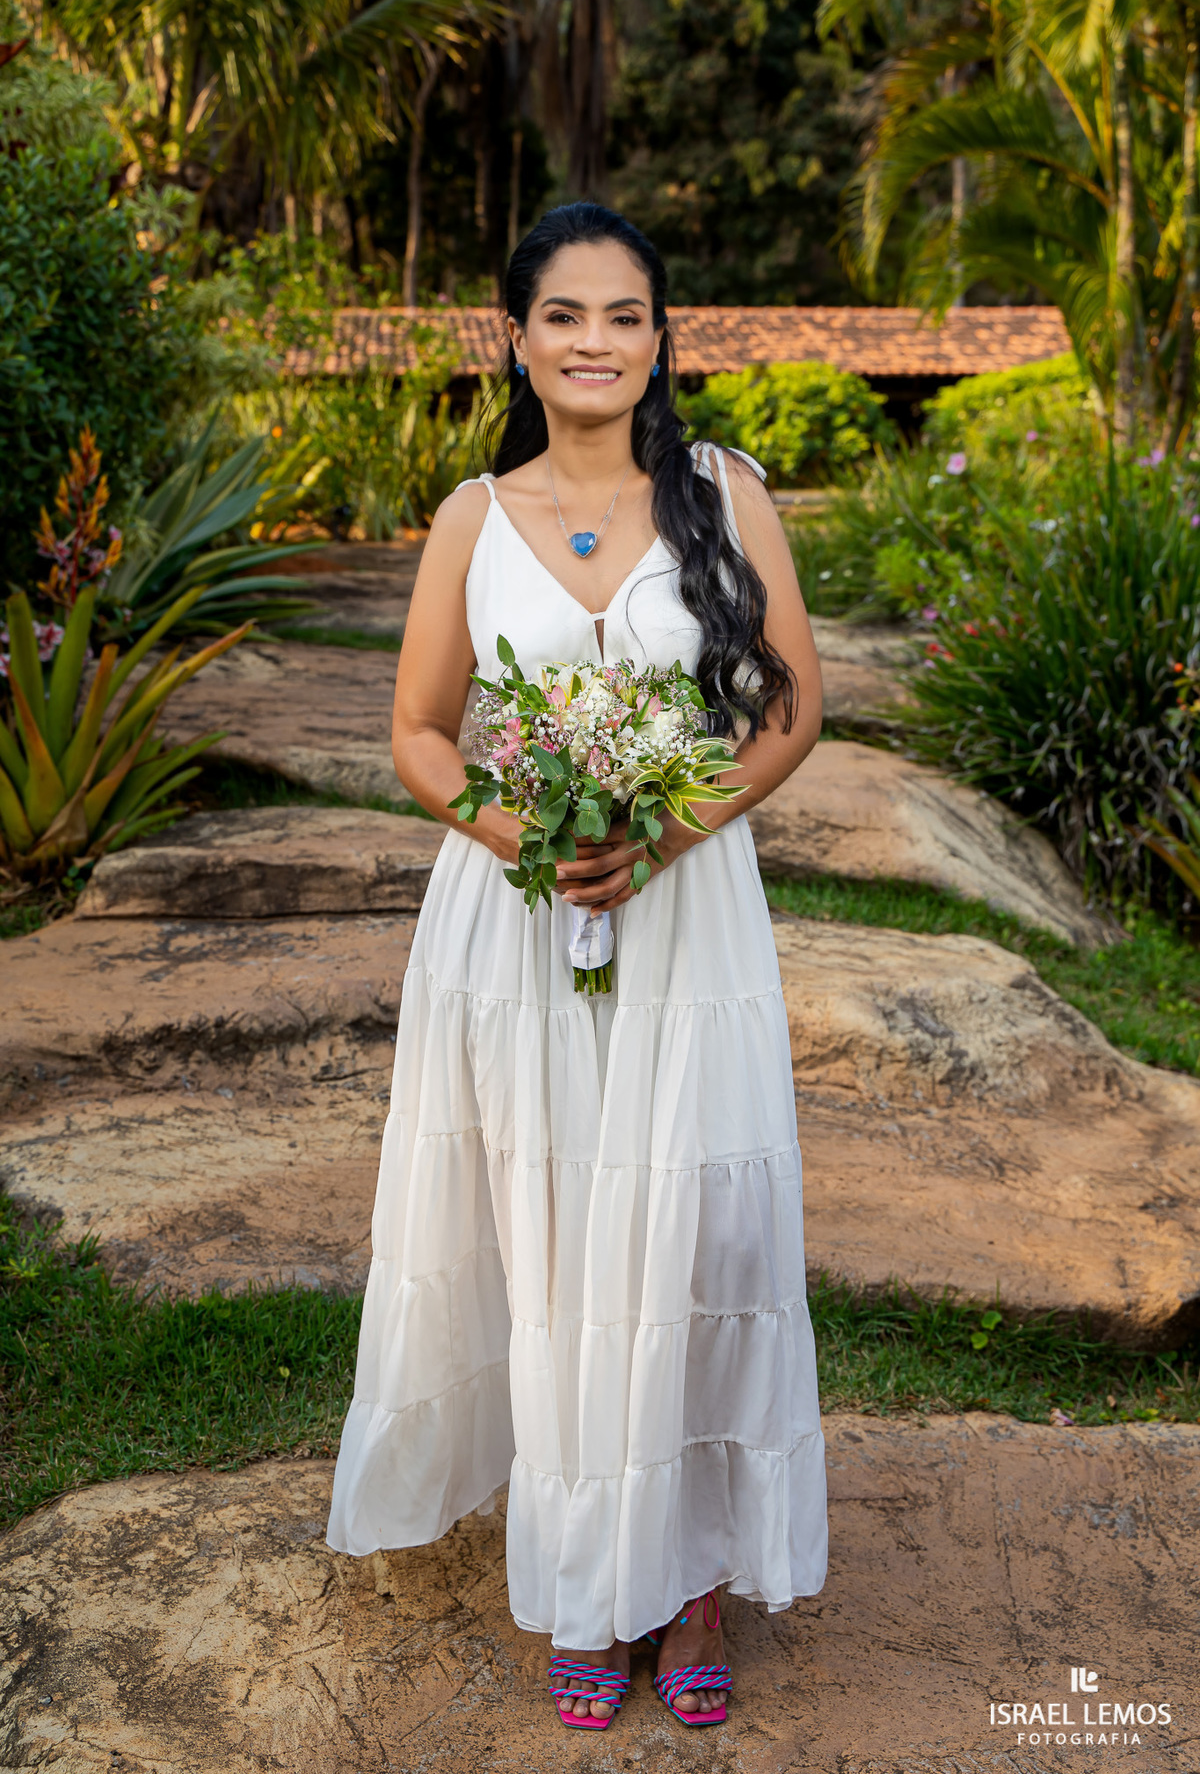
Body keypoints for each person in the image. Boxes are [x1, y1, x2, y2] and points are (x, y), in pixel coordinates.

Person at [326, 201, 828, 1731]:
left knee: (698, 1227)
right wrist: (517, 831)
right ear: (520, 337)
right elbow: (420, 731)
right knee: (548, 1238)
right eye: (565, 315)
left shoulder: (724, 494)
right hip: (517, 918)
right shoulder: (475, 515)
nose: (596, 341)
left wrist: (663, 829)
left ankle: (689, 1588)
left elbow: (793, 710)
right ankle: (579, 1586)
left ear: (661, 339)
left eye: (625, 315)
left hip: (689, 910)